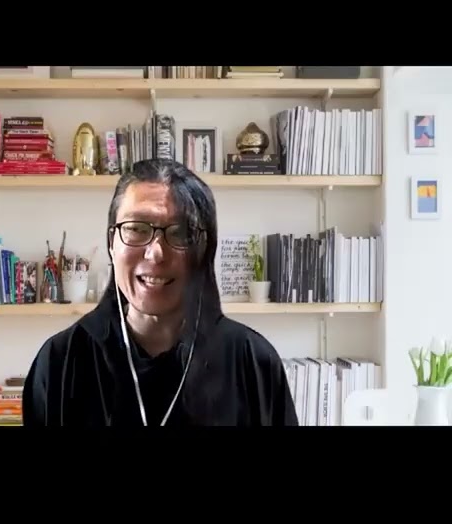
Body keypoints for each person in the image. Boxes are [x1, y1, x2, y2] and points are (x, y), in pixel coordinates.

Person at [22, 159, 297, 426]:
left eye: (180, 233)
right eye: (136, 229)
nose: (155, 253)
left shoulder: (253, 363)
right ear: (111, 243)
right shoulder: (60, 361)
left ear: (204, 250)